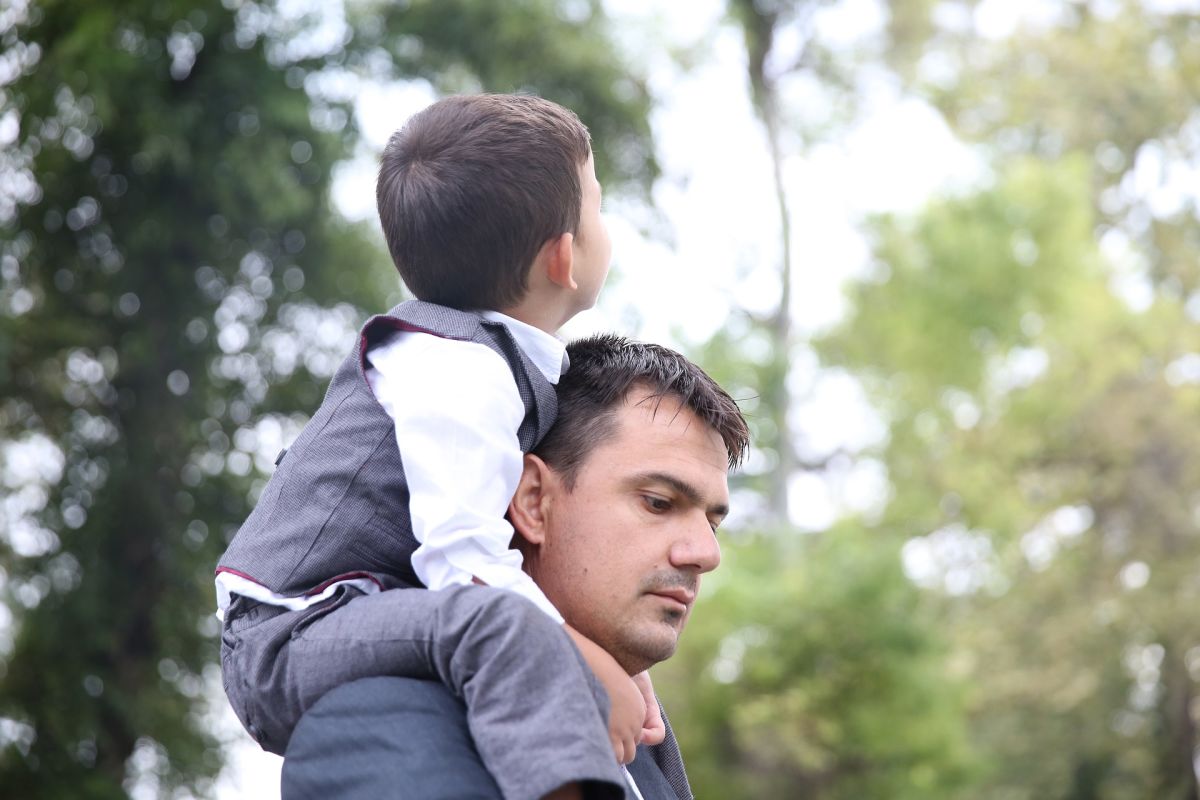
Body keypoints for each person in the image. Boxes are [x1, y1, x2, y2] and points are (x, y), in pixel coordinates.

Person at [216, 94, 655, 800]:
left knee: (619, 674)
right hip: (290, 635)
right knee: (510, 630)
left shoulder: (497, 361)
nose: (606, 225)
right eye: (598, 206)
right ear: (563, 256)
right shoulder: (457, 366)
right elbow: (461, 556)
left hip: (362, 612)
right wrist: (582, 662)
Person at [281, 334, 751, 800]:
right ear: (532, 501)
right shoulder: (383, 724)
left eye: (713, 523)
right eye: (658, 502)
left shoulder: (641, 742)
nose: (706, 554)